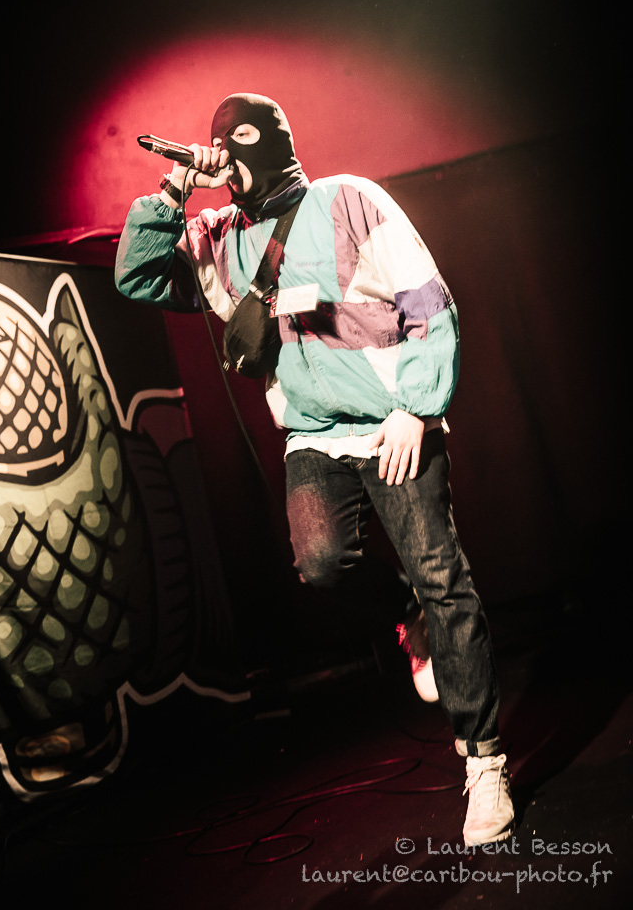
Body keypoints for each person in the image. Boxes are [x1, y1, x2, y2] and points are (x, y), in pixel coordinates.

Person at [115, 92, 514, 845]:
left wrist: (418, 407)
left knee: (442, 576)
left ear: (269, 141)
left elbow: (429, 302)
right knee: (322, 564)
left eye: (238, 138)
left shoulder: (350, 200)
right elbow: (135, 277)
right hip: (315, 437)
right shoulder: (217, 239)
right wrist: (173, 189)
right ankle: (407, 617)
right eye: (217, 142)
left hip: (394, 422)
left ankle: (484, 760)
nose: (225, 152)